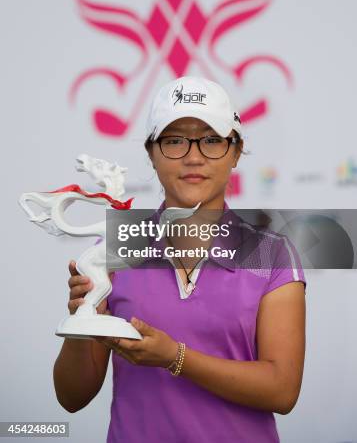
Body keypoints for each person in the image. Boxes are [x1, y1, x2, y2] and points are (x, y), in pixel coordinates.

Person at [53, 75, 306, 443]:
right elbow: (71, 397)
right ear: (151, 153)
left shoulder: (271, 252)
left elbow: (282, 390)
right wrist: (81, 320)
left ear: (236, 151)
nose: (193, 156)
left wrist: (176, 357)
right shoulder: (115, 246)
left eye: (211, 140)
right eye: (173, 140)